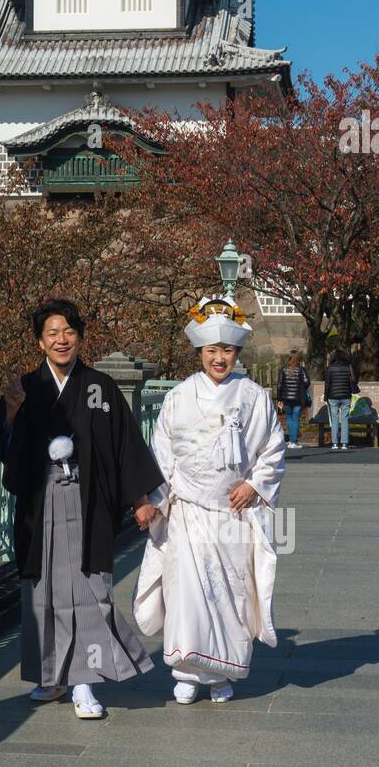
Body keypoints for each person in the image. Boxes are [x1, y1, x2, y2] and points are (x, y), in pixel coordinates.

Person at [0, 298, 164, 720]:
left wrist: (140, 499)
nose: (62, 340)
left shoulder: (100, 387)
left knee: (88, 590)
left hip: (90, 499)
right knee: (42, 591)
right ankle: (52, 676)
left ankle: (85, 681)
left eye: (69, 332)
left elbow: (124, 446)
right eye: (52, 334)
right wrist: (9, 412)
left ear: (80, 336)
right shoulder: (27, 388)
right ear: (40, 343)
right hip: (39, 500)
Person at [132, 296, 286, 705]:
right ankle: (185, 671)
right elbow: (162, 455)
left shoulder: (253, 396)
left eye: (228, 350)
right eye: (212, 350)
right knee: (186, 593)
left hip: (231, 512)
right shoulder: (179, 397)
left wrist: (254, 485)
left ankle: (221, 673)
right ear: (200, 351)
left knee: (231, 595)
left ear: (237, 352)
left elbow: (273, 448)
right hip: (188, 511)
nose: (220, 358)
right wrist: (156, 502)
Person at [325, 349, 359, 451]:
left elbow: (327, 384)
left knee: (334, 420)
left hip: (333, 396)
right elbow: (354, 380)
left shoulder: (330, 368)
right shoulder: (348, 367)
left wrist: (326, 396)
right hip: (346, 396)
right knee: (345, 420)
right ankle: (344, 444)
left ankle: (335, 443)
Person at [276, 350, 311, 448]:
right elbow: (307, 382)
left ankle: (291, 441)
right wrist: (300, 388)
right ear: (298, 360)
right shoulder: (301, 370)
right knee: (296, 418)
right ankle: (294, 441)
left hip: (286, 398)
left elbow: (279, 385)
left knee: (289, 418)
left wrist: (279, 398)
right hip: (298, 398)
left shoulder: (283, 369)